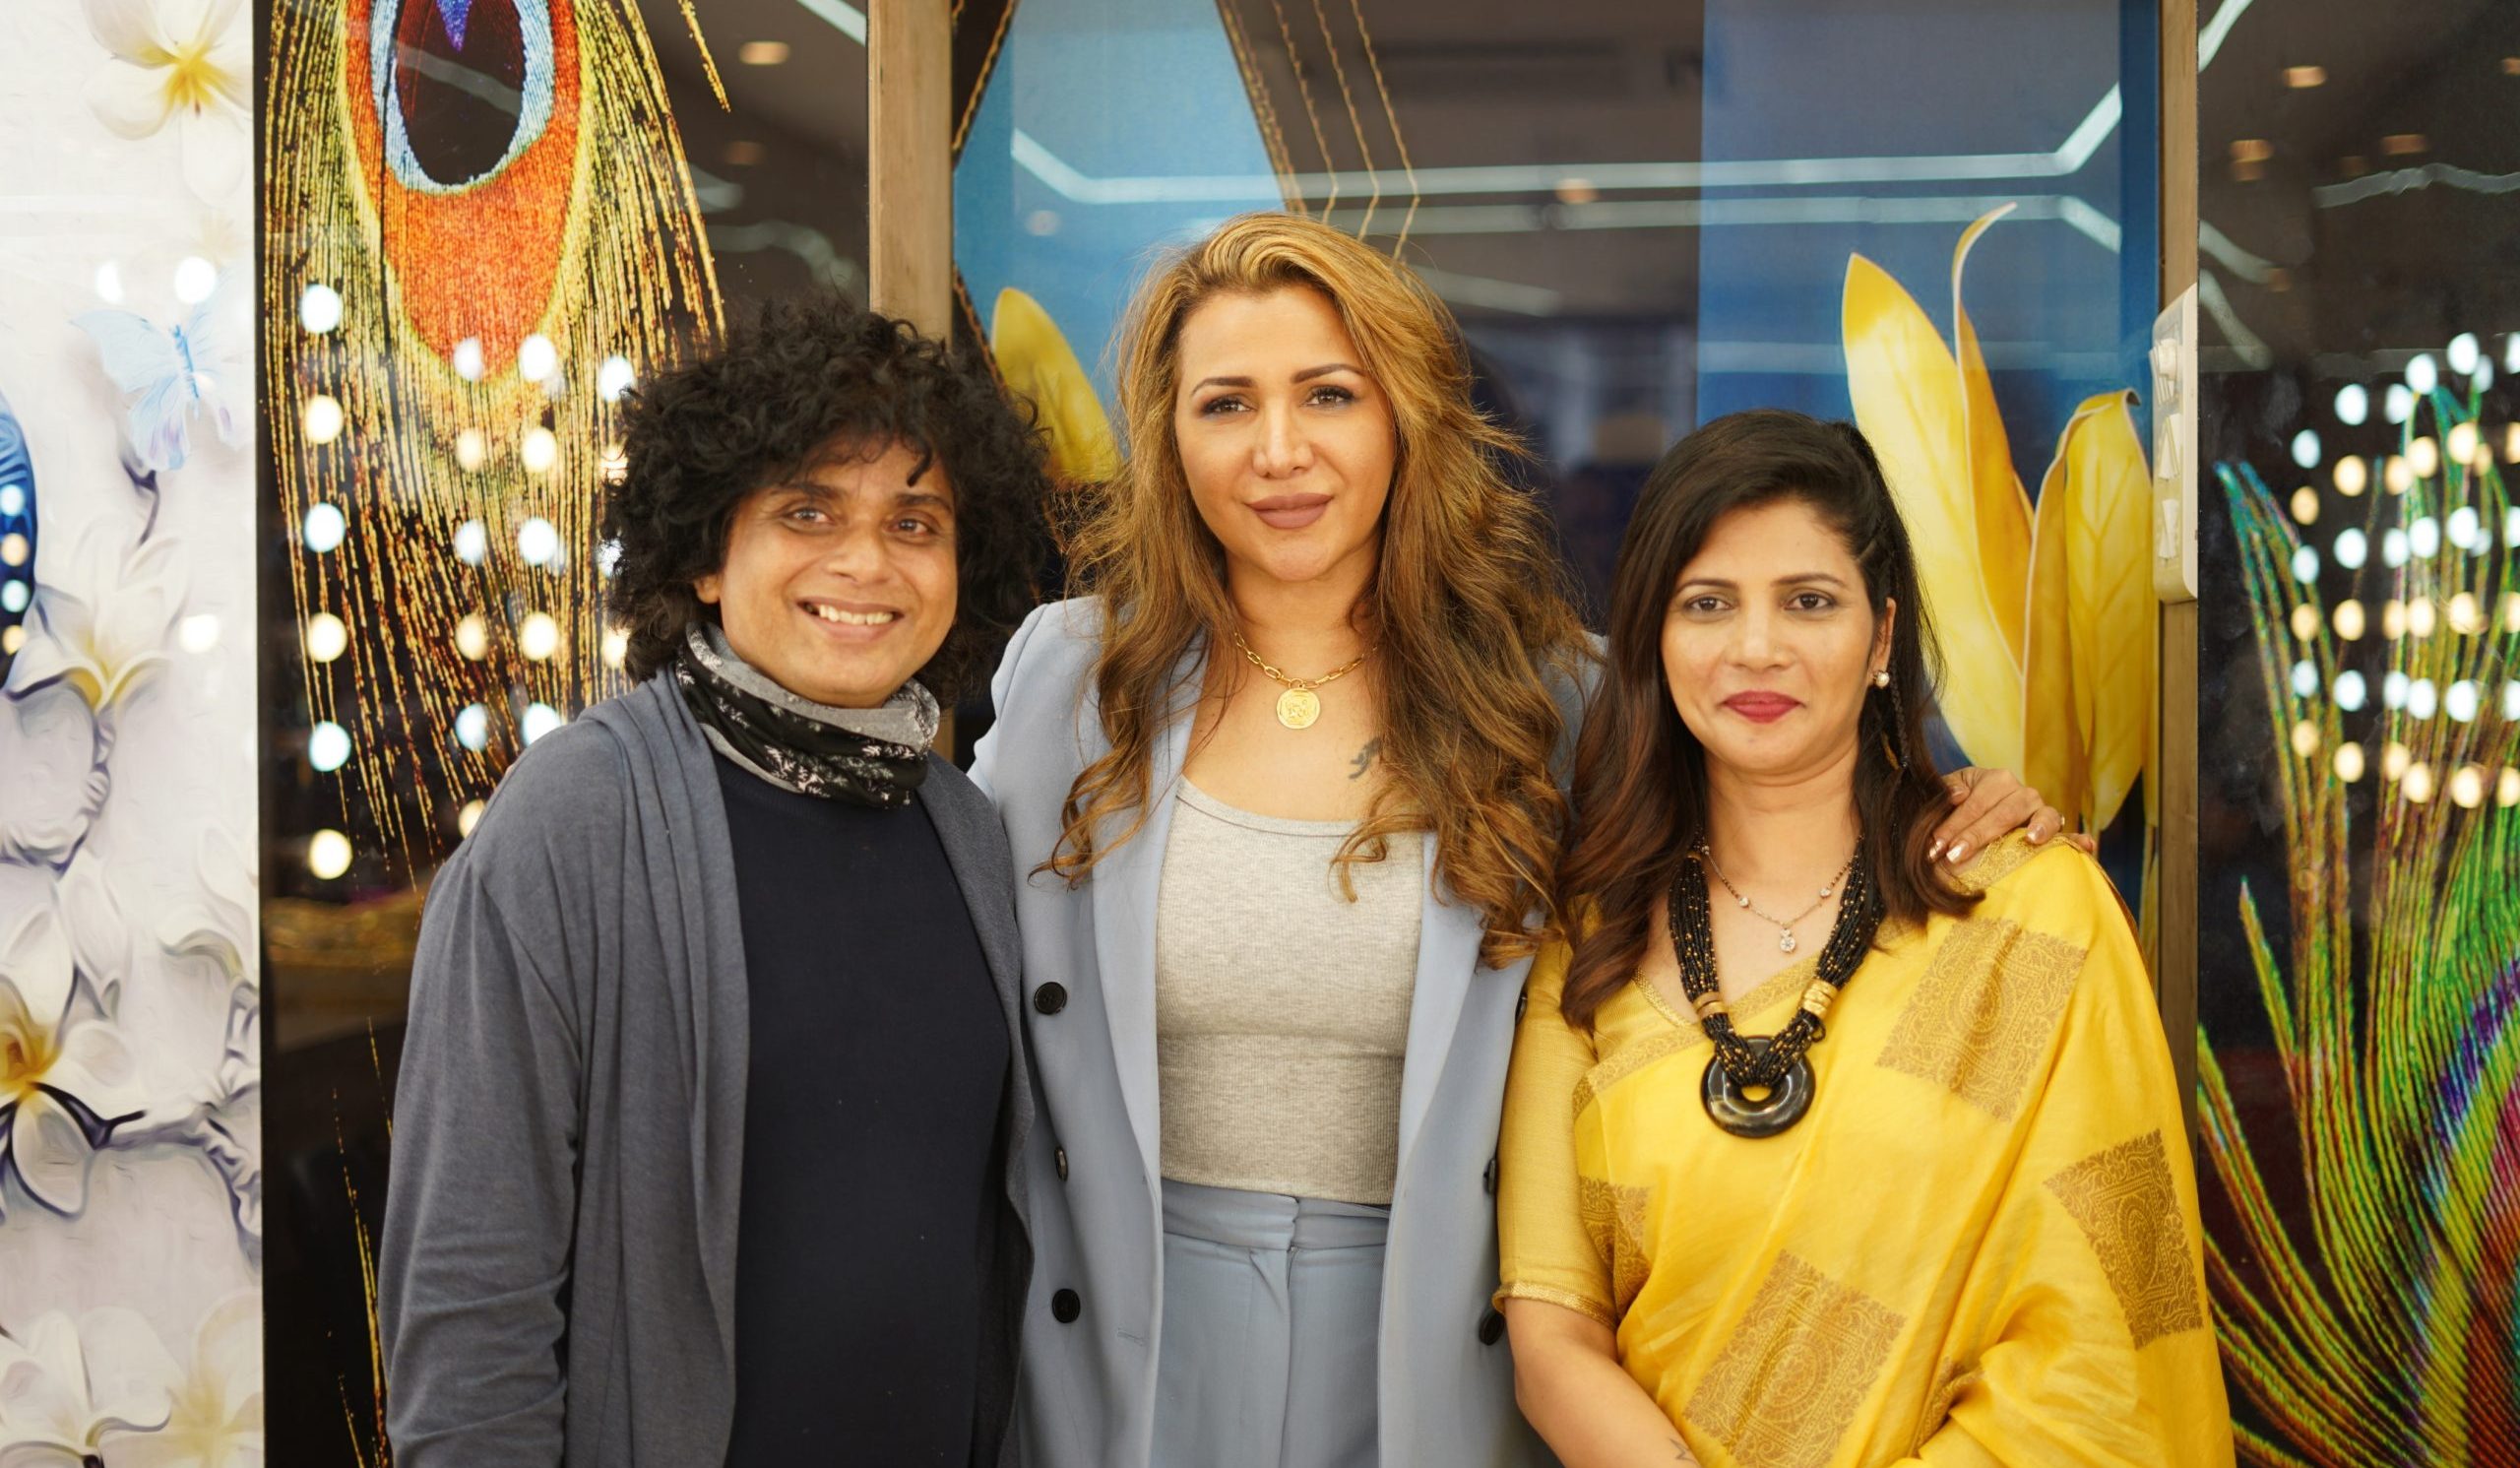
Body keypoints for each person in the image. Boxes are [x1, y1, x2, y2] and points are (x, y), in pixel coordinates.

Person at [972, 214, 2073, 1468]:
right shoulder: (1071, 679)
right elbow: (945, 928)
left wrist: (1953, 803)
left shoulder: (1553, 700)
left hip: (1437, 1344)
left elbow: (1781, 825)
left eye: (1328, 394)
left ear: (1405, 417)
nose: (1279, 452)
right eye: (1226, 404)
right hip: (1113, 1334)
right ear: (1168, 436)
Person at [376, 298, 1047, 1467]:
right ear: (701, 555)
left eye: (915, 522)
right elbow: (469, 1289)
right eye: (806, 511)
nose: (865, 562)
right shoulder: (579, 816)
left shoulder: (965, 828)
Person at [1497, 409, 2233, 1467]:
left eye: (1809, 601)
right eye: (1707, 603)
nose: (1757, 647)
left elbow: (2105, 1352)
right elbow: (1552, 1336)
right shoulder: (1591, 940)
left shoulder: (2029, 917)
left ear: (1882, 637)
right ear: (1654, 635)